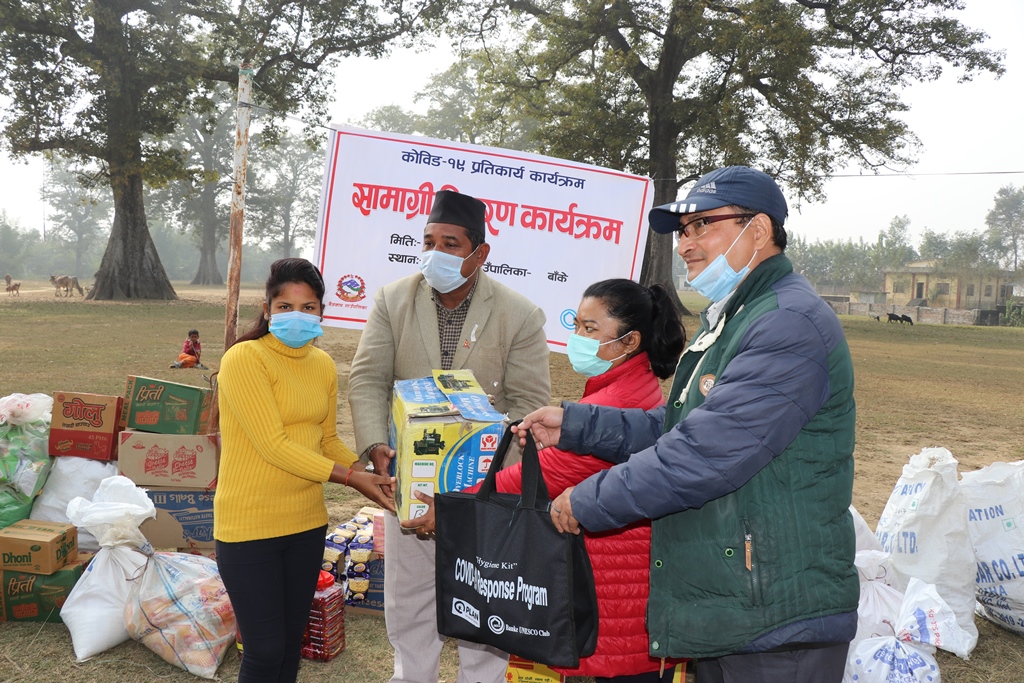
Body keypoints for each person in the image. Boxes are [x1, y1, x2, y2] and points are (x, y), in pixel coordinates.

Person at [515, 166, 859, 683]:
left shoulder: (786, 321)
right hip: (735, 598)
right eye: (683, 231)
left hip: (778, 611)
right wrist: (578, 425)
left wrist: (586, 500)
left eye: (703, 226)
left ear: (759, 230)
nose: (686, 244)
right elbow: (678, 425)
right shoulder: (737, 315)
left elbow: (704, 453)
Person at [407, 278, 688, 682]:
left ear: (629, 342)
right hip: (625, 574)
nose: (577, 337)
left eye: (590, 329)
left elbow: (536, 477)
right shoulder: (632, 386)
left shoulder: (616, 399)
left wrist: (450, 504)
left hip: (614, 584)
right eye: (576, 324)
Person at [348, 189, 551, 683]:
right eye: (429, 241)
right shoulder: (394, 299)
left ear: (479, 254)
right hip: (409, 475)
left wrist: (490, 473)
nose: (435, 253)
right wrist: (377, 445)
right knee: (409, 593)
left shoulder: (518, 313)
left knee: (483, 593)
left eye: (451, 243)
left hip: (482, 482)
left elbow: (528, 406)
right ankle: (410, 675)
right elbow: (368, 377)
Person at [214, 257, 395, 683]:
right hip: (248, 529)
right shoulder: (244, 358)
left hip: (306, 526)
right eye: (285, 306)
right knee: (263, 651)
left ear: (321, 311)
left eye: (309, 307)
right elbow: (272, 446)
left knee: (291, 645)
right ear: (267, 309)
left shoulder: (322, 364)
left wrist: (369, 467)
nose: (297, 315)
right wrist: (353, 479)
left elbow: (325, 438)